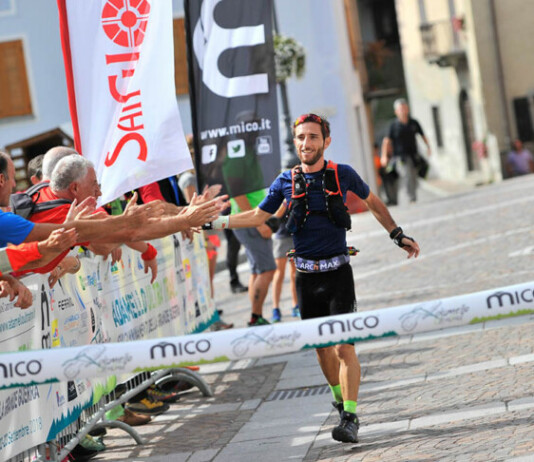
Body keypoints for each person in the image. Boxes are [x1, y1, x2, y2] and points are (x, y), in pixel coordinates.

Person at [203, 113, 420, 443]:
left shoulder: (342, 174)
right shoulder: (285, 181)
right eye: (301, 137)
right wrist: (212, 222)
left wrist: (397, 234)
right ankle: (339, 399)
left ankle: (350, 416)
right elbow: (258, 216)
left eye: (313, 137)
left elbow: (372, 202)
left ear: (326, 141)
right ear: (295, 142)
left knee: (344, 346)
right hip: (305, 279)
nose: (306, 143)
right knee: (322, 350)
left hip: (338, 276)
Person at [381, 98, 431, 204]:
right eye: (401, 109)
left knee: (414, 175)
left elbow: (422, 136)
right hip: (400, 157)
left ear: (408, 109)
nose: (403, 111)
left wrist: (428, 147)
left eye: (405, 108)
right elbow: (386, 141)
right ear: (396, 112)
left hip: (414, 155)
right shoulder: (393, 125)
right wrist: (384, 156)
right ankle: (411, 198)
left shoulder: (414, 123)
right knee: (407, 174)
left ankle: (412, 195)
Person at [270, 202, 299, 322]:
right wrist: (284, 203)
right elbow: (275, 216)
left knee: (295, 273)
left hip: (295, 234)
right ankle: (275, 308)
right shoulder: (277, 192)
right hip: (281, 236)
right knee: (279, 274)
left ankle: (296, 305)